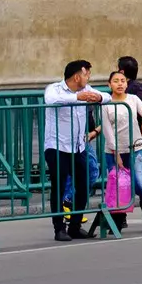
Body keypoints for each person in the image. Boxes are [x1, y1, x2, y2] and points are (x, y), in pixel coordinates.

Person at [43, 60, 104, 241]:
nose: (88, 78)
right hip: (57, 146)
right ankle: (58, 228)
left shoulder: (87, 90)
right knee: (59, 186)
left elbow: (105, 97)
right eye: (87, 74)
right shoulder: (54, 89)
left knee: (84, 183)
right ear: (77, 76)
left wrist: (98, 98)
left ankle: (75, 226)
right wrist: (79, 98)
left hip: (78, 147)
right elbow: (51, 100)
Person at [95, 69, 142, 233]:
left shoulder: (133, 99)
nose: (120, 83)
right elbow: (107, 130)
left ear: (127, 83)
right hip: (114, 150)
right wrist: (116, 152)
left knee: (141, 184)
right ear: (109, 85)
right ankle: (118, 223)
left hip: (134, 148)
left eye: (122, 80)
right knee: (119, 186)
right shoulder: (106, 104)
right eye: (116, 81)